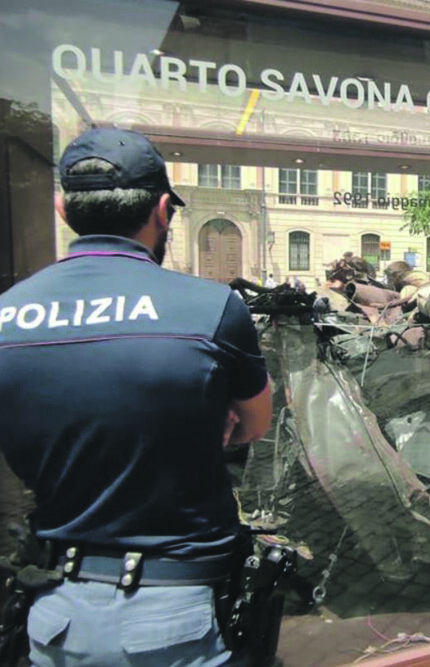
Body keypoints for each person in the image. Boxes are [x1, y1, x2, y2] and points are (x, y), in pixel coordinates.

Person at [0, 127, 273, 664]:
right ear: (164, 210)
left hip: (54, 615)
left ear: (62, 207)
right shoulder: (212, 308)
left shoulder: (7, 314)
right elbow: (255, 425)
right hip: (178, 615)